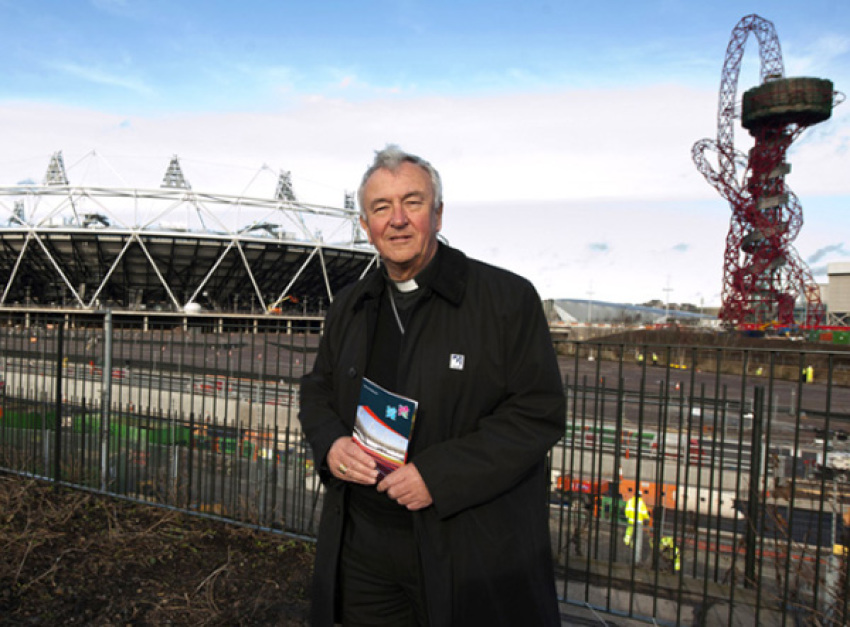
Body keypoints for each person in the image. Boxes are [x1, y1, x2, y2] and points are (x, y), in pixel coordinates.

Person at [298, 145, 566, 626]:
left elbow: (537, 414)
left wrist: (438, 478)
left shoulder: (506, 300)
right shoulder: (349, 305)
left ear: (438, 214)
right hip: (364, 546)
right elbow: (317, 389)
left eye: (413, 202)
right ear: (365, 226)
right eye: (381, 208)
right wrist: (331, 443)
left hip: (461, 546)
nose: (397, 220)